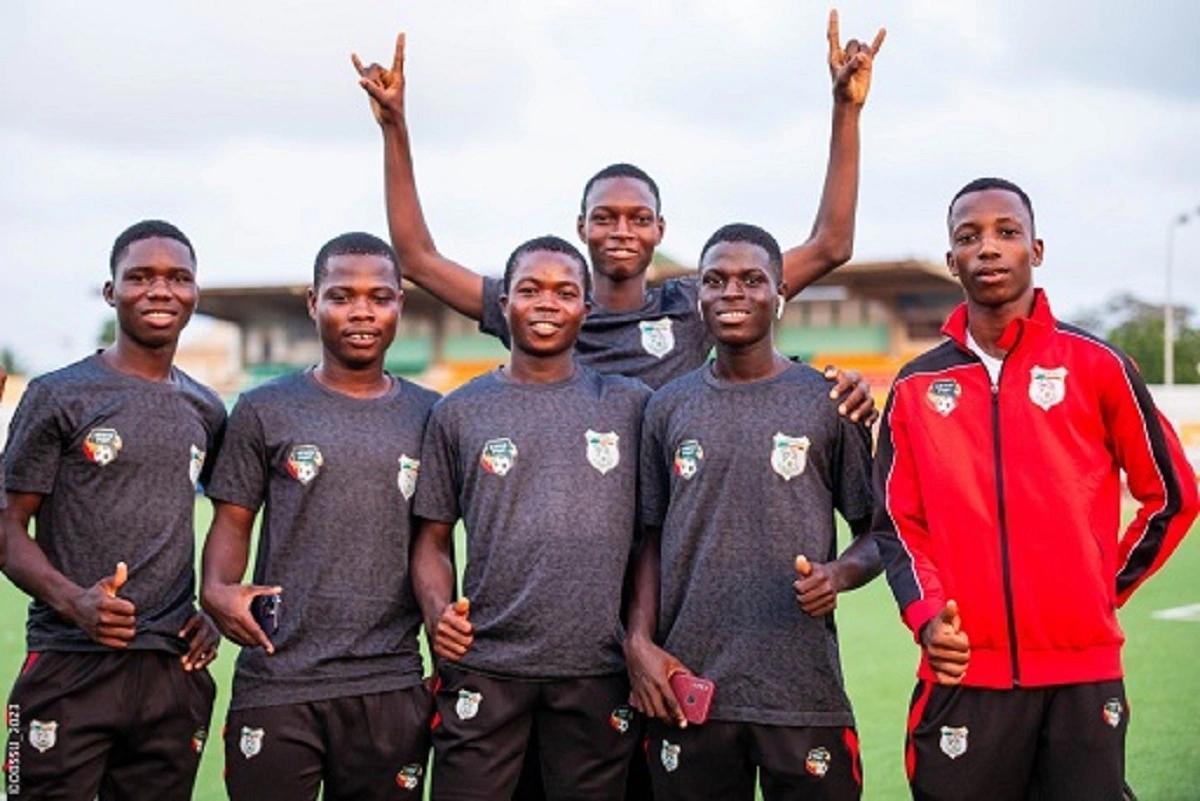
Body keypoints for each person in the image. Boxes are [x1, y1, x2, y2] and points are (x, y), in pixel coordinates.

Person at [352, 11, 882, 404]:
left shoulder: (694, 305)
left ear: (660, 230)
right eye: (605, 218)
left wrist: (846, 110)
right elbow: (418, 259)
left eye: (639, 218)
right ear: (581, 227)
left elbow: (830, 246)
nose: (622, 230)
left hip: (668, 520)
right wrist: (394, 127)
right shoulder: (546, 306)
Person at [873, 178, 1200, 801]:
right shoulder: (915, 387)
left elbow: (1173, 494)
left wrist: (1102, 588)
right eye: (968, 236)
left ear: (1036, 249)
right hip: (964, 672)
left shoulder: (1099, 365)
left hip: (1082, 674)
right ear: (952, 261)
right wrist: (926, 615)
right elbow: (896, 523)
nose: (988, 247)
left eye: (1007, 232)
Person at [625, 223, 879, 801]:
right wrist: (639, 639)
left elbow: (876, 534)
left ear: (780, 293)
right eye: (715, 280)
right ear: (699, 296)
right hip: (691, 685)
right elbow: (649, 541)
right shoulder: (667, 407)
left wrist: (838, 575)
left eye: (751, 279)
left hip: (801, 688)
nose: (732, 292)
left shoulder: (827, 401)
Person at [200, 232, 440, 801]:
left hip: (389, 678)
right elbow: (232, 522)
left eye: (379, 297)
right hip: (279, 678)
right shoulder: (264, 407)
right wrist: (216, 590)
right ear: (313, 302)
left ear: (400, 304)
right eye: (341, 296)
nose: (362, 311)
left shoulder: (433, 414)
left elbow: (434, 542)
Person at [411, 235, 652, 800]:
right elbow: (432, 540)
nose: (547, 303)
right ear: (504, 305)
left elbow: (652, 541)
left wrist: (637, 636)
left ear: (586, 309)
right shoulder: (458, 411)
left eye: (565, 292)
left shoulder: (631, 404)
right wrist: (438, 612)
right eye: (530, 289)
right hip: (485, 666)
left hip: (597, 669)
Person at [1, 220, 224, 800]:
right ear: (111, 292)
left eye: (177, 278)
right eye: (140, 277)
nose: (160, 290)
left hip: (172, 668)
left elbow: (230, 522)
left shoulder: (206, 408)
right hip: (69, 661)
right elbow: (7, 526)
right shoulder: (58, 394)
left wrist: (212, 608)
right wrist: (73, 601)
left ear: (195, 293)